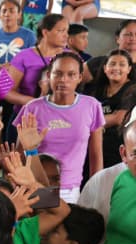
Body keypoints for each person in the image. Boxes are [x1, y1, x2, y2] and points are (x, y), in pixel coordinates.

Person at [13, 53, 104, 204]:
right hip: (37, 186)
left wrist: (96, 189)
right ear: (49, 75)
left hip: (72, 190)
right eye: (58, 73)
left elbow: (95, 155)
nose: (63, 80)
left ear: (80, 77)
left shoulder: (91, 106)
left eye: (71, 74)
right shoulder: (32, 108)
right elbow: (20, 154)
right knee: (41, 227)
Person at [85, 50, 135, 168]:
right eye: (112, 64)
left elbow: (119, 118)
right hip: (93, 142)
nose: (116, 68)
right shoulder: (96, 89)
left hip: (118, 145)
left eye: (122, 65)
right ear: (105, 68)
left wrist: (91, 124)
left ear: (129, 69)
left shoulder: (133, 89)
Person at [0, 0, 35, 65]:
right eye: (4, 11)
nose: (7, 14)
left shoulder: (29, 36)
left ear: (19, 14)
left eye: (11, 11)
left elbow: (34, 63)